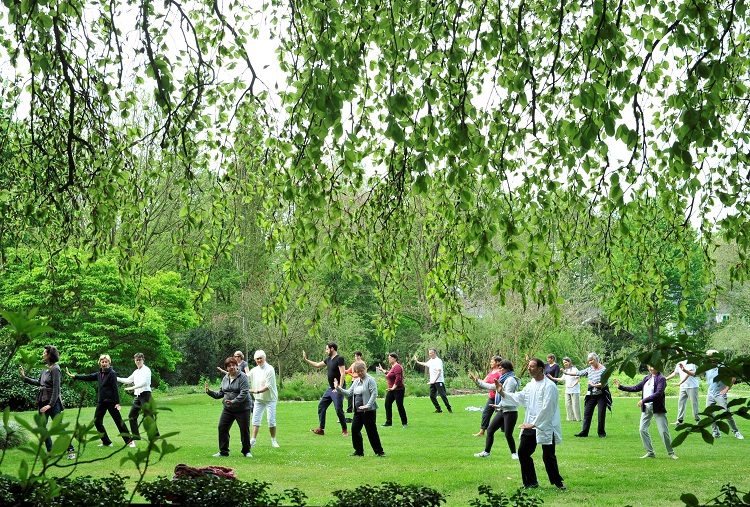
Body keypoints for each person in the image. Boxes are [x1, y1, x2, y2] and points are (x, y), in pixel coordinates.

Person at [496, 358, 565, 490]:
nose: (529, 368)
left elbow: (548, 408)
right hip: (530, 424)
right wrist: (503, 393)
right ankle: (530, 482)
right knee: (523, 452)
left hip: (546, 424)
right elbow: (520, 397)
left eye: (532, 366)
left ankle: (558, 482)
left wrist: (534, 424)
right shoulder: (530, 385)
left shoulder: (549, 386)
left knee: (548, 456)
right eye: (528, 366)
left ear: (540, 368)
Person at [19, 345, 76, 459]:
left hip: (53, 403)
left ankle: (70, 450)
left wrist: (50, 405)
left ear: (50, 355)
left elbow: (56, 389)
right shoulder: (45, 368)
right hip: (42, 400)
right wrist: (24, 377)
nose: (43, 354)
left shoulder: (55, 368)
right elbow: (39, 383)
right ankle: (50, 451)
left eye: (44, 353)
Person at [66, 354, 133, 448]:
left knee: (118, 421)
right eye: (102, 362)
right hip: (101, 402)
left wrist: (117, 403)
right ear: (100, 363)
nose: (104, 363)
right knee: (97, 421)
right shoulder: (99, 374)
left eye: (106, 362)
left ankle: (130, 441)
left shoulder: (112, 373)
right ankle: (106, 442)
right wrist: (75, 376)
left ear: (109, 363)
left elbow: (115, 388)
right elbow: (88, 377)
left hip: (111, 402)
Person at [614, 365, 678, 459]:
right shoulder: (647, 378)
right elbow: (636, 388)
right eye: (650, 366)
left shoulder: (661, 379)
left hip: (657, 408)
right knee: (642, 429)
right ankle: (650, 452)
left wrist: (643, 400)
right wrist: (621, 387)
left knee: (663, 431)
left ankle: (671, 453)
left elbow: (658, 394)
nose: (651, 368)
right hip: (646, 408)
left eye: (653, 366)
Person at [470, 359, 519, 460]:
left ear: (507, 369)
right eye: (499, 367)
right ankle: (486, 452)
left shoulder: (511, 380)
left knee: (508, 434)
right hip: (502, 410)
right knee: (491, 430)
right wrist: (476, 380)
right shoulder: (503, 379)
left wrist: (499, 405)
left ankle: (514, 453)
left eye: (501, 368)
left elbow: (507, 396)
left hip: (510, 411)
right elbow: (492, 386)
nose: (499, 369)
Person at [204, 356, 253, 457]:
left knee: (244, 430)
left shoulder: (243, 377)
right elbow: (221, 393)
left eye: (233, 365)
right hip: (228, 409)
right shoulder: (225, 378)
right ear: (226, 368)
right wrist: (209, 392)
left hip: (243, 409)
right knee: (222, 427)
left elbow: (244, 393)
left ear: (236, 366)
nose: (232, 367)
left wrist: (234, 401)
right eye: (229, 366)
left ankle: (246, 451)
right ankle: (223, 451)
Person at [334, 362, 385, 457]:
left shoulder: (370, 380)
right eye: (358, 372)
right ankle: (359, 451)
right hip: (358, 411)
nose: (360, 373)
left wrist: (368, 405)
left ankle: (379, 452)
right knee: (355, 430)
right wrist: (338, 388)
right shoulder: (357, 381)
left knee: (371, 431)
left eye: (361, 371)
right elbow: (349, 393)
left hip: (368, 411)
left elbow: (374, 394)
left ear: (365, 369)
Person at [304, 342, 348, 436]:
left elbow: (343, 373)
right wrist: (306, 359)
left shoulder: (339, 359)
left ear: (332, 348)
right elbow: (317, 365)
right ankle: (321, 429)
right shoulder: (328, 359)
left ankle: (344, 430)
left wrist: (339, 387)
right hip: (330, 389)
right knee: (321, 406)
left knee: (338, 409)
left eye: (327, 349)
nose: (326, 351)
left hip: (338, 388)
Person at [566, 352, 611, 437]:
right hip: (591, 395)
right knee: (587, 413)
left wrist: (594, 385)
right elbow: (579, 373)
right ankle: (584, 432)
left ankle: (601, 433)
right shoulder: (589, 369)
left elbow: (604, 383)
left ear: (596, 359)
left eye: (591, 360)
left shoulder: (603, 369)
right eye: (589, 361)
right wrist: (567, 373)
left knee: (601, 414)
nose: (590, 362)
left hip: (602, 394)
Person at [117, 352, 159, 443]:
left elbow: (144, 383)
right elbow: (128, 380)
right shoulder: (136, 372)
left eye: (140, 359)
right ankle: (136, 436)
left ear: (143, 360)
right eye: (136, 360)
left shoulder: (146, 370)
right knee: (132, 416)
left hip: (146, 395)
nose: (138, 361)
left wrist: (132, 387)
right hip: (138, 396)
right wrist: (115, 378)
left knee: (148, 416)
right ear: (134, 361)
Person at [705, 350, 744, 440]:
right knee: (708, 413)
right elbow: (696, 374)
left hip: (720, 394)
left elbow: (733, 377)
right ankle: (716, 433)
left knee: (726, 413)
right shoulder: (708, 367)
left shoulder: (722, 367)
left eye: (709, 356)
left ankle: (736, 432)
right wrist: (685, 370)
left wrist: (726, 389)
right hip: (710, 393)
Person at [247, 350, 279, 449]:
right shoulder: (254, 370)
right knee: (255, 420)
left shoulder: (270, 369)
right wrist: (230, 372)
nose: (259, 360)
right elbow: (245, 377)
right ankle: (253, 440)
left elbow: (268, 386)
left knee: (271, 421)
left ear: (264, 358)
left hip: (270, 399)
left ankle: (273, 440)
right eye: (257, 359)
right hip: (259, 400)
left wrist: (255, 391)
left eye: (261, 358)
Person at [470, 356, 503, 437]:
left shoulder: (500, 373)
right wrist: (475, 379)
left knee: (503, 414)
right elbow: (483, 383)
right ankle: (482, 431)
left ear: (498, 362)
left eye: (492, 361)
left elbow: (499, 386)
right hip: (492, 397)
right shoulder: (491, 372)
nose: (490, 363)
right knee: (486, 413)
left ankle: (505, 429)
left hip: (500, 398)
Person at [413, 349, 452, 413]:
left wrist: (435, 381)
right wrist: (417, 361)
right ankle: (438, 409)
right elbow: (425, 364)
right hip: (432, 382)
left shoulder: (438, 361)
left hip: (439, 381)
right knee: (432, 396)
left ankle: (449, 408)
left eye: (431, 353)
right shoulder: (431, 361)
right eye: (429, 353)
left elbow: (439, 372)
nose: (429, 354)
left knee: (443, 395)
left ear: (434, 353)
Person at [664, 356, 700, 425]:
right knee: (681, 403)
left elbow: (690, 374)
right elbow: (675, 373)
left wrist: (680, 382)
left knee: (694, 404)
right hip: (683, 387)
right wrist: (665, 378)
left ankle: (698, 420)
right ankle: (679, 421)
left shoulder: (690, 362)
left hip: (692, 386)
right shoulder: (679, 363)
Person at [376, 352, 408, 428]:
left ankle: (404, 423)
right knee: (387, 404)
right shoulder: (393, 367)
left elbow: (398, 378)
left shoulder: (397, 367)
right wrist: (382, 370)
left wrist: (394, 387)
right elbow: (389, 374)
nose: (388, 359)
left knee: (399, 406)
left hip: (398, 390)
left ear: (394, 358)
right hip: (392, 390)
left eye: (390, 358)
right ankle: (388, 422)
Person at [547, 357, 581, 421]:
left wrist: (573, 385)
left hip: (575, 390)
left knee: (575, 404)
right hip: (567, 390)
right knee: (567, 404)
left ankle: (578, 419)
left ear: (569, 362)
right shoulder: (566, 371)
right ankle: (571, 418)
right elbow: (562, 379)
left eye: (566, 362)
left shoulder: (574, 369)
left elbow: (578, 378)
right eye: (564, 363)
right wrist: (552, 378)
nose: (565, 364)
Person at [344, 351, 365, 417]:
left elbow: (357, 375)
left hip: (360, 381)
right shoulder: (353, 364)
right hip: (354, 382)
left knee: (358, 396)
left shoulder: (362, 364)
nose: (356, 357)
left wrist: (351, 374)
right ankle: (349, 409)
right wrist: (341, 369)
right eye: (355, 356)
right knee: (350, 395)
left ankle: (360, 408)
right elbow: (348, 371)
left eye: (357, 356)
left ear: (360, 356)